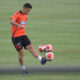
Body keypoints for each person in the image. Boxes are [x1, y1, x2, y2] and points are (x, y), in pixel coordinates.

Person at [10, 3, 47, 74]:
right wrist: (18, 25)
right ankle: (23, 69)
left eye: (29, 11)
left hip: (23, 35)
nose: (28, 12)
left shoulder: (25, 16)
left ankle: (41, 59)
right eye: (28, 10)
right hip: (16, 37)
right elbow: (11, 21)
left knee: (31, 47)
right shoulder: (17, 14)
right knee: (21, 53)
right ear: (24, 8)